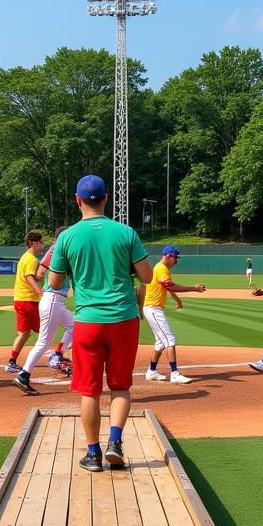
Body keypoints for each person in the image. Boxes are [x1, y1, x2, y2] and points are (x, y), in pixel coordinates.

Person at [47, 175, 152, 472]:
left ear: (78, 200)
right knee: (120, 387)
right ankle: (115, 443)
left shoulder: (67, 237)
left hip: (88, 321)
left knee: (89, 391)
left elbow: (54, 282)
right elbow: (146, 277)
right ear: (105, 198)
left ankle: (93, 454)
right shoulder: (126, 233)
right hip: (123, 319)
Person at [14, 226, 76, 395]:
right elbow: (41, 274)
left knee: (75, 326)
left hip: (55, 301)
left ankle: (57, 354)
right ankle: (24, 374)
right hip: (53, 299)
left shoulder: (53, 249)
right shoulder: (61, 249)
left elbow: (41, 273)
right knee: (43, 342)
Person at [142, 244, 206, 384]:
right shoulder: (161, 268)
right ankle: (175, 374)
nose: (176, 261)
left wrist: (177, 299)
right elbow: (169, 286)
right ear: (169, 256)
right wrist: (194, 288)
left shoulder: (161, 269)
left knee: (160, 342)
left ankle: (151, 372)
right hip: (153, 309)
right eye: (175, 258)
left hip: (152, 308)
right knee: (170, 340)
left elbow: (166, 287)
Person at [5, 232, 44, 373]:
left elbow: (31, 277)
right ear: (32, 243)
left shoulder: (26, 257)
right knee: (45, 331)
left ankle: (12, 362)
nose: (42, 245)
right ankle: (56, 355)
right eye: (40, 242)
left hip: (21, 300)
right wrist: (40, 292)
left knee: (24, 333)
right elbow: (29, 278)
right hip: (28, 301)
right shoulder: (32, 259)